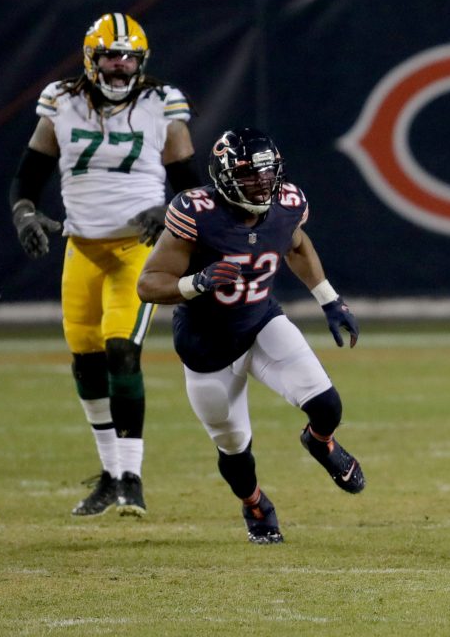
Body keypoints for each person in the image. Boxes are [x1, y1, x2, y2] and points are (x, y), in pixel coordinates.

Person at [136, 127, 365, 544]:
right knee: (235, 450)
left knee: (328, 405)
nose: (261, 183)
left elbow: (295, 245)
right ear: (223, 177)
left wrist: (330, 300)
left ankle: (320, 443)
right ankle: (256, 504)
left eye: (266, 173)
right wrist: (197, 282)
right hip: (206, 348)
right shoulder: (197, 212)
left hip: (260, 324)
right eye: (248, 175)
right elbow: (148, 284)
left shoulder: (287, 203)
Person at [10, 11, 197, 518]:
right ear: (91, 59)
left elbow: (191, 186)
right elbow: (27, 179)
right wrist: (24, 213)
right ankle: (110, 472)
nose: (119, 67)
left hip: (137, 248)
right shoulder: (62, 103)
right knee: (86, 361)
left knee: (122, 352)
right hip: (82, 249)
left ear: (142, 60)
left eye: (129, 57)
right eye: (111, 57)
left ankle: (132, 476)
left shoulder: (162, 105)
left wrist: (168, 210)